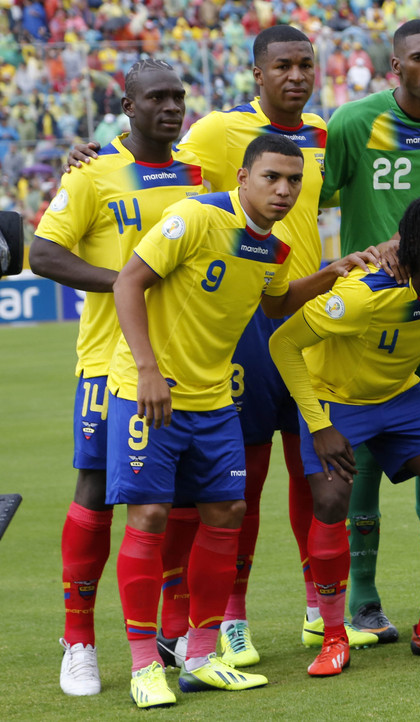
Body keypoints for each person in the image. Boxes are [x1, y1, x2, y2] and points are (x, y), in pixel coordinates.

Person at [66, 24, 377, 661]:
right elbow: (154, 162)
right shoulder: (213, 133)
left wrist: (340, 270)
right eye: (283, 66)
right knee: (238, 484)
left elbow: (350, 192)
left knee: (314, 474)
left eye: (306, 65)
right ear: (257, 74)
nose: (296, 76)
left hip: (305, 314)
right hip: (239, 329)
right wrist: (92, 157)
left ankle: (322, 613)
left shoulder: (322, 134)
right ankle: (219, 622)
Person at [106, 135, 372, 708]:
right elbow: (128, 281)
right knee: (150, 513)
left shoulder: (272, 247)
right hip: (147, 391)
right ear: (244, 177)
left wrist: (335, 270)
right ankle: (143, 664)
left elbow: (276, 305)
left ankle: (201, 658)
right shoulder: (195, 217)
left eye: (293, 181)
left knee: (227, 510)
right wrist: (148, 370)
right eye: (272, 178)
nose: (283, 190)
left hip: (213, 396)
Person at [30, 58, 206, 697]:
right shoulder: (94, 172)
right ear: (126, 106)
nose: (171, 107)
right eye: (156, 97)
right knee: (96, 488)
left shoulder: (199, 174)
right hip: (110, 363)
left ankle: (177, 631)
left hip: (188, 362)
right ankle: (78, 640)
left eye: (178, 97)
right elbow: (42, 253)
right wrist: (127, 284)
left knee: (182, 497)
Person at [269, 194, 420, 673]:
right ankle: (332, 636)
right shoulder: (361, 294)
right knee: (331, 501)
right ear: (416, 246)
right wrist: (319, 425)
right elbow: (282, 342)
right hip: (335, 399)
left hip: (400, 395)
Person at [318, 19, 420, 641]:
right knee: (355, 469)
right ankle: (362, 599)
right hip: (366, 316)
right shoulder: (354, 123)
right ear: (395, 67)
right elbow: (315, 192)